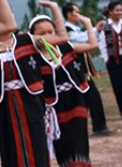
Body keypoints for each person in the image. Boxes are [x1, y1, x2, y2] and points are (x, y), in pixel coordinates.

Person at [0, 0, 67, 167]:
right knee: (10, 146)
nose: (6, 16)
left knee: (36, 144)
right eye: (0, 15)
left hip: (30, 102)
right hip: (3, 106)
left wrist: (55, 9)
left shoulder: (28, 40)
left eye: (9, 12)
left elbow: (61, 37)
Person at [32, 11, 97, 167]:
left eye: (51, 32)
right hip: (53, 107)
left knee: (78, 139)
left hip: (75, 100)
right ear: (32, 36)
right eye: (42, 33)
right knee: (62, 142)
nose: (47, 36)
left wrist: (88, 24)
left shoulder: (66, 48)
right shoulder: (33, 58)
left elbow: (92, 45)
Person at [61, 3, 112, 137]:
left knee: (91, 97)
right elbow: (83, 40)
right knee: (88, 98)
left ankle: (98, 126)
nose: (79, 15)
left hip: (82, 69)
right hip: (75, 70)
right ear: (69, 14)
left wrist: (96, 31)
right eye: (77, 12)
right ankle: (96, 127)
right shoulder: (66, 30)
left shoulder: (76, 29)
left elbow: (90, 39)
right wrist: (91, 27)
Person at [97, 1, 122, 120]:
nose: (120, 12)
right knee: (118, 86)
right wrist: (107, 60)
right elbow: (102, 44)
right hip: (114, 60)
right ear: (110, 12)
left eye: (121, 10)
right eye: (117, 10)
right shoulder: (105, 27)